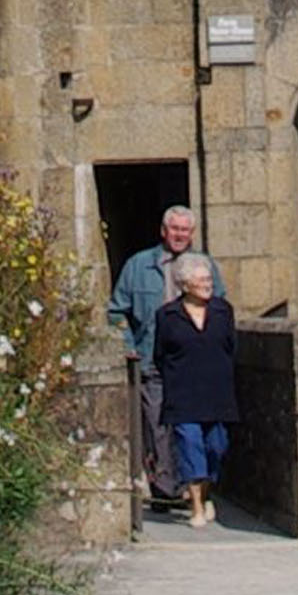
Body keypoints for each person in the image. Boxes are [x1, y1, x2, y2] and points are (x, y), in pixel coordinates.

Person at [108, 205, 221, 510]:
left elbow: (220, 308)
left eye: (185, 230)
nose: (180, 235)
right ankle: (166, 489)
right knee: (158, 428)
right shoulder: (137, 266)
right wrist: (127, 343)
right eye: (175, 229)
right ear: (163, 230)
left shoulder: (205, 266)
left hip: (193, 365)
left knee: (194, 431)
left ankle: (192, 488)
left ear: (192, 233)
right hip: (152, 361)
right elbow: (117, 311)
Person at [152, 254, 238, 527]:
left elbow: (230, 347)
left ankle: (206, 492)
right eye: (201, 280)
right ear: (185, 284)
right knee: (190, 446)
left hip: (217, 392)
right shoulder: (167, 315)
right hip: (183, 393)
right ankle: (197, 507)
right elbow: (160, 355)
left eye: (209, 279)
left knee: (216, 446)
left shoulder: (224, 311)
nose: (207, 284)